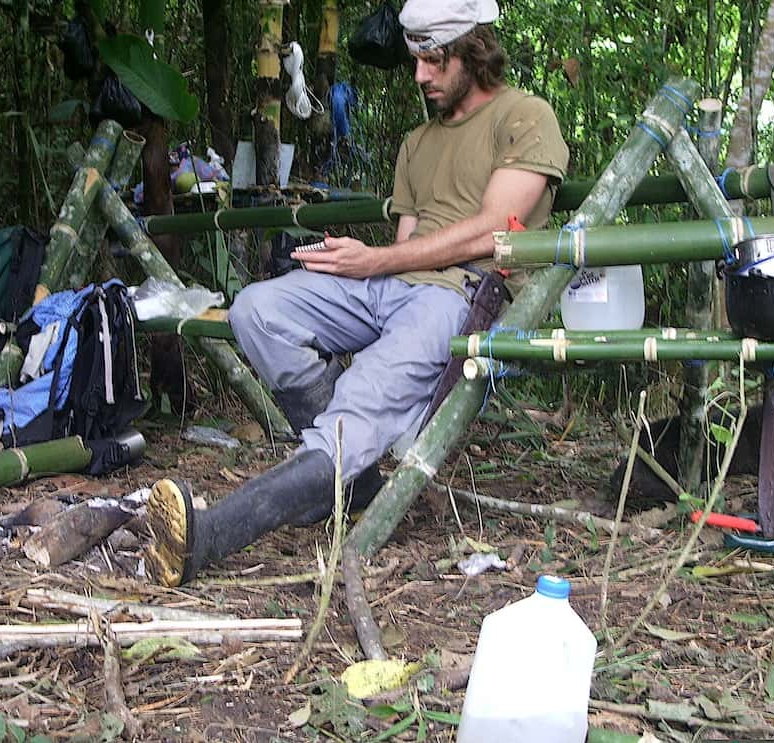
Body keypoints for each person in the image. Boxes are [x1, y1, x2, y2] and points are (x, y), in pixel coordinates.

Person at [144, 0, 570, 587]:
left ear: (474, 51)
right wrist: (350, 264)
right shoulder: (418, 141)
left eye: (434, 61)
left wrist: (377, 261)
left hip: (466, 296)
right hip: (394, 285)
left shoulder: (526, 116)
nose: (420, 75)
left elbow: (495, 229)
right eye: (417, 60)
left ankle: (212, 534)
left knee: (354, 411)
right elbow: (406, 243)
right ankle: (355, 479)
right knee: (259, 310)